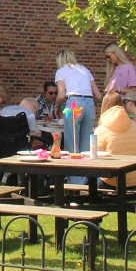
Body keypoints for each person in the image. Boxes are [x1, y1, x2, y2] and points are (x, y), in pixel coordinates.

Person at [55, 49, 102, 185]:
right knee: (86, 145)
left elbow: (62, 95)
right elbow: (98, 96)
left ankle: (75, 183)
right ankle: (91, 179)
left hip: (73, 103)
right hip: (89, 103)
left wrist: (57, 107)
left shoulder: (61, 71)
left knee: (72, 143)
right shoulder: (85, 70)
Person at [101, 43, 136, 112]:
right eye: (106, 58)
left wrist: (118, 90)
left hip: (123, 106)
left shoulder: (129, 68)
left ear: (115, 53)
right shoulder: (112, 70)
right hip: (111, 106)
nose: (108, 59)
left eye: (109, 56)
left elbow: (134, 91)